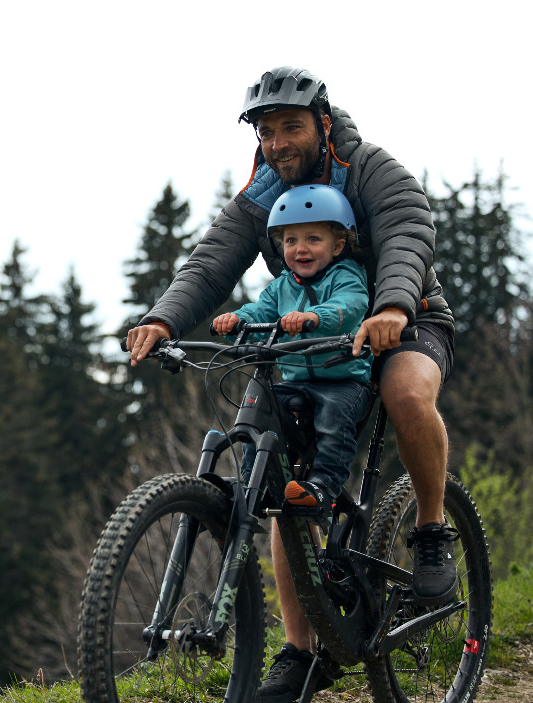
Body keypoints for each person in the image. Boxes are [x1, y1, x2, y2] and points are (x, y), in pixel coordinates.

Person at [126, 66, 458, 703]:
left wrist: (391, 307)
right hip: (305, 340)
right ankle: (303, 651)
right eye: (267, 131)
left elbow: (407, 230)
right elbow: (216, 255)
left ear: (322, 124)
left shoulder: (369, 169)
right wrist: (164, 316)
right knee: (276, 477)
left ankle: (432, 531)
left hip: (404, 318)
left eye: (291, 127)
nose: (278, 142)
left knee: (407, 394)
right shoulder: (264, 189)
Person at [212, 184, 372, 521]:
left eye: (313, 239)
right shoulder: (281, 286)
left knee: (333, 416)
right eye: (290, 241)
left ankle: (322, 486)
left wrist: (315, 317)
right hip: (297, 382)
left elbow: (351, 305)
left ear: (338, 244)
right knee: (261, 414)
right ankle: (253, 486)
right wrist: (235, 320)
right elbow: (259, 313)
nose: (300, 249)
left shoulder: (347, 276)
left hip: (344, 381)